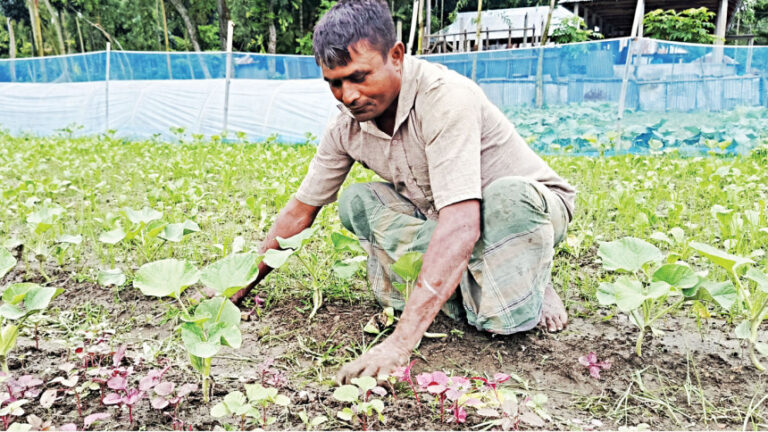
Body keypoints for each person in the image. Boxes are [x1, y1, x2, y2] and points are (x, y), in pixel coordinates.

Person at [232, 0, 576, 384]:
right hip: (441, 218)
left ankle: (534, 273)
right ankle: (474, 279)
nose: (348, 95)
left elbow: (462, 224)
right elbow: (301, 210)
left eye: (360, 76)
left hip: (523, 210)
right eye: (335, 82)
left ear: (396, 56)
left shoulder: (446, 99)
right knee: (357, 200)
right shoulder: (345, 126)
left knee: (501, 298)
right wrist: (236, 287)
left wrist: (400, 344)